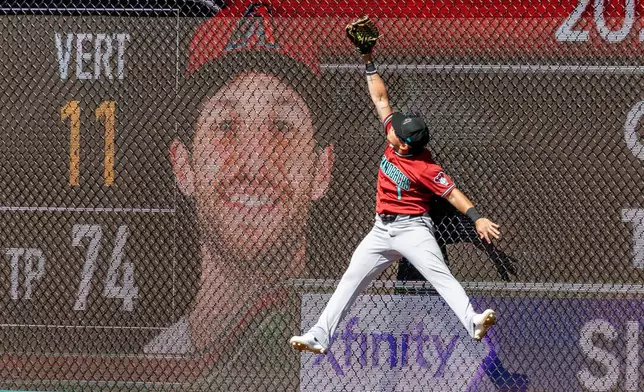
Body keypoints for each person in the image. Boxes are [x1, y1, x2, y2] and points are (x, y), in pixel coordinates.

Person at [143, 5, 334, 388]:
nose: (254, 160)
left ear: (321, 171)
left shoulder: (359, 362)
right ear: (184, 167)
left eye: (282, 126)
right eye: (225, 126)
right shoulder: (151, 372)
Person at [289, 16, 499, 355]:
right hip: (380, 230)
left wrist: (477, 217)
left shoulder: (424, 165)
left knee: (441, 277)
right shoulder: (395, 138)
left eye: (397, 129)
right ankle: (319, 335)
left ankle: (472, 321)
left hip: (413, 230)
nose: (391, 124)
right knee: (350, 281)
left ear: (404, 144)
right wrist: (368, 58)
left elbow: (453, 193)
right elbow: (381, 98)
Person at [397, 195, 519, 284]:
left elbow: (466, 228)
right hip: (412, 259)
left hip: (435, 262)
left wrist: (493, 252)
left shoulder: (439, 206)